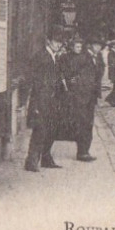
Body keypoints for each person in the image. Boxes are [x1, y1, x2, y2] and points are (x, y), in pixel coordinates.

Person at [24, 27, 66, 172]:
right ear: (49, 41)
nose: (58, 45)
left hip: (52, 101)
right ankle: (31, 162)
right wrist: (35, 103)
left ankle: (46, 159)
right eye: (56, 42)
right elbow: (34, 81)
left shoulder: (55, 57)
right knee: (39, 130)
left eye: (60, 42)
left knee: (51, 130)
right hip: (41, 100)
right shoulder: (41, 56)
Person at [59, 37, 101, 162]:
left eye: (80, 47)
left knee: (88, 124)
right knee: (82, 124)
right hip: (80, 97)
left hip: (88, 97)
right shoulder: (72, 58)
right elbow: (68, 74)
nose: (79, 49)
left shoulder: (87, 58)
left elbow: (94, 76)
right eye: (76, 46)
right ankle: (82, 152)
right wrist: (72, 82)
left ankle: (85, 151)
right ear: (71, 47)